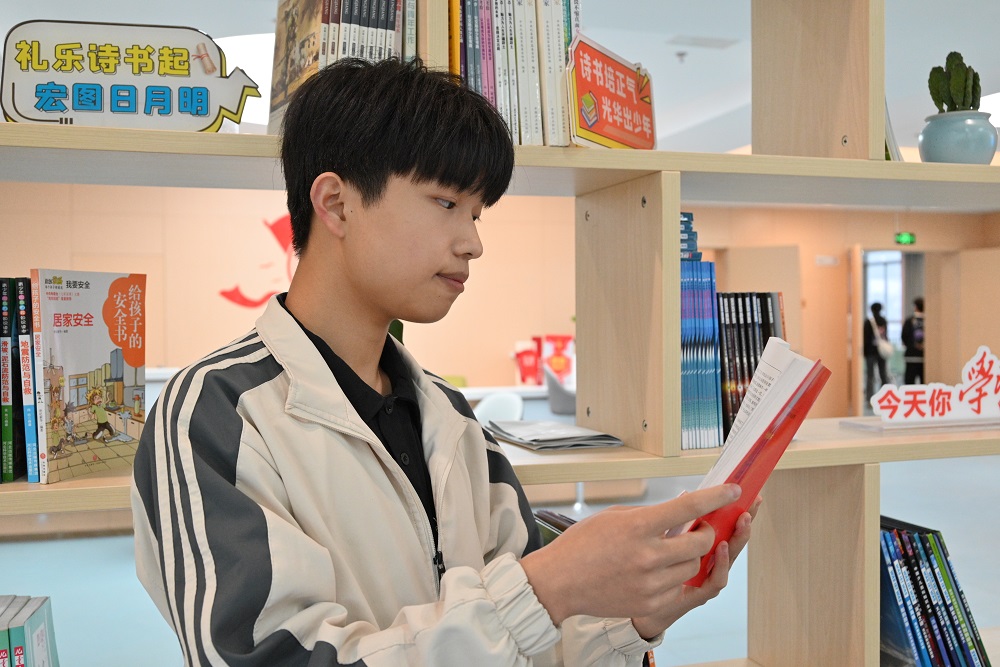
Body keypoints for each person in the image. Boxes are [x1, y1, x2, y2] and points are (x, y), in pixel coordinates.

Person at [131, 57, 757, 666]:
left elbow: (530, 644)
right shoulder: (214, 416)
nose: (473, 242)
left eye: (477, 213)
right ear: (337, 203)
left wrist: (631, 620)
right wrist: (547, 588)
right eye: (446, 203)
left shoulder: (454, 419)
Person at [863, 302, 890, 401]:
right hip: (881, 352)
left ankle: (869, 398)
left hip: (870, 351)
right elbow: (886, 336)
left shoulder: (868, 322)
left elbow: (865, 338)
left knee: (870, 375)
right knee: (883, 374)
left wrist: (865, 352)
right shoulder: (883, 321)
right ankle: (884, 397)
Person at [901, 296, 925, 384]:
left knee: (909, 383)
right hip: (924, 357)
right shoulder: (929, 321)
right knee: (925, 384)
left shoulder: (909, 321)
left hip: (911, 356)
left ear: (915, 307)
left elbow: (904, 336)